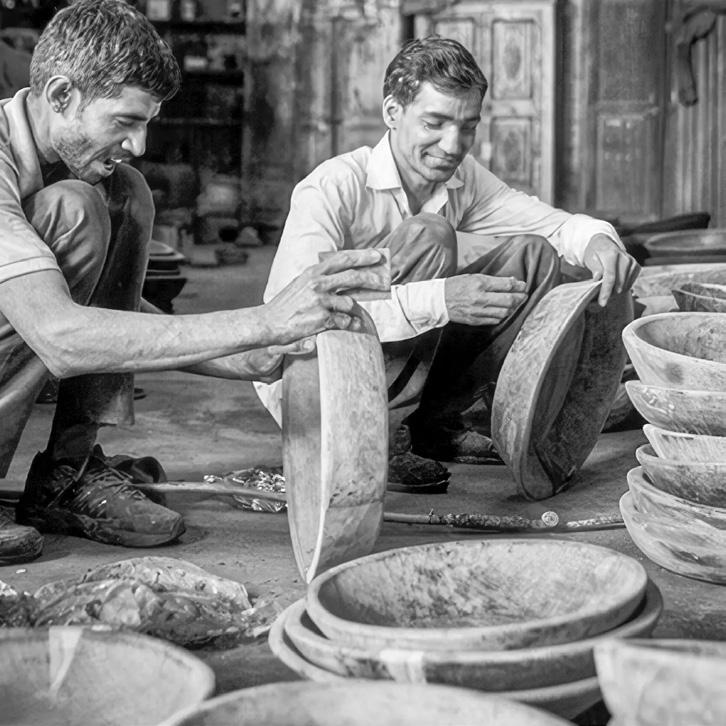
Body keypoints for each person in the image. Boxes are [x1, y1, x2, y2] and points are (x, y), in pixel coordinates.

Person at [0, 0, 386, 563]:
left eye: (146, 123)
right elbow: (59, 333)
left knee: (123, 193)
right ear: (61, 95)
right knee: (78, 207)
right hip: (51, 327)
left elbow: (107, 313)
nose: (139, 144)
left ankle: (67, 470)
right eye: (125, 122)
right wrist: (264, 320)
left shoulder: (66, 159)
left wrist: (243, 351)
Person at [255, 36, 640, 490]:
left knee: (530, 258)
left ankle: (432, 426)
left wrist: (598, 242)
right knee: (432, 237)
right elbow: (295, 319)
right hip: (319, 388)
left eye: (467, 126)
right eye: (434, 123)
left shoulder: (460, 179)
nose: (453, 145)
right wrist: (439, 299)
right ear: (392, 112)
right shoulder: (332, 188)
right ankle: (380, 438)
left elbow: (552, 227)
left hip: (396, 363)